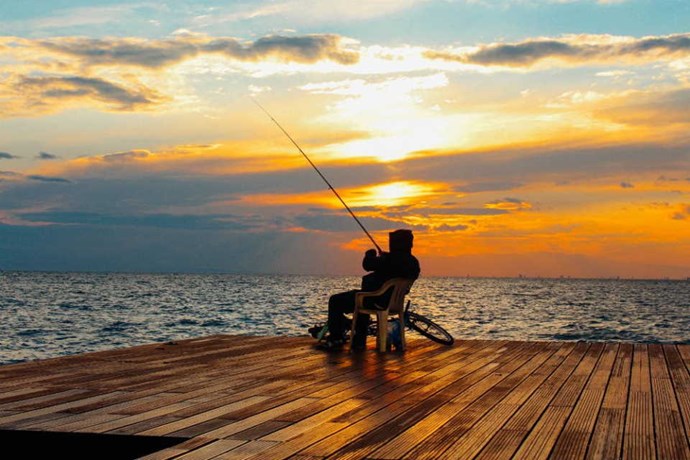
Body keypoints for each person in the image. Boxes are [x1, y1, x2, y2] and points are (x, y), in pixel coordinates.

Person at [315, 229, 420, 351]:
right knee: (362, 295)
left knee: (335, 301)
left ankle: (336, 337)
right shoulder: (413, 262)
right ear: (409, 243)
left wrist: (370, 253)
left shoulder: (389, 260)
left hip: (376, 300)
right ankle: (358, 341)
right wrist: (385, 256)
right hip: (392, 303)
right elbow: (395, 263)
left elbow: (367, 264)